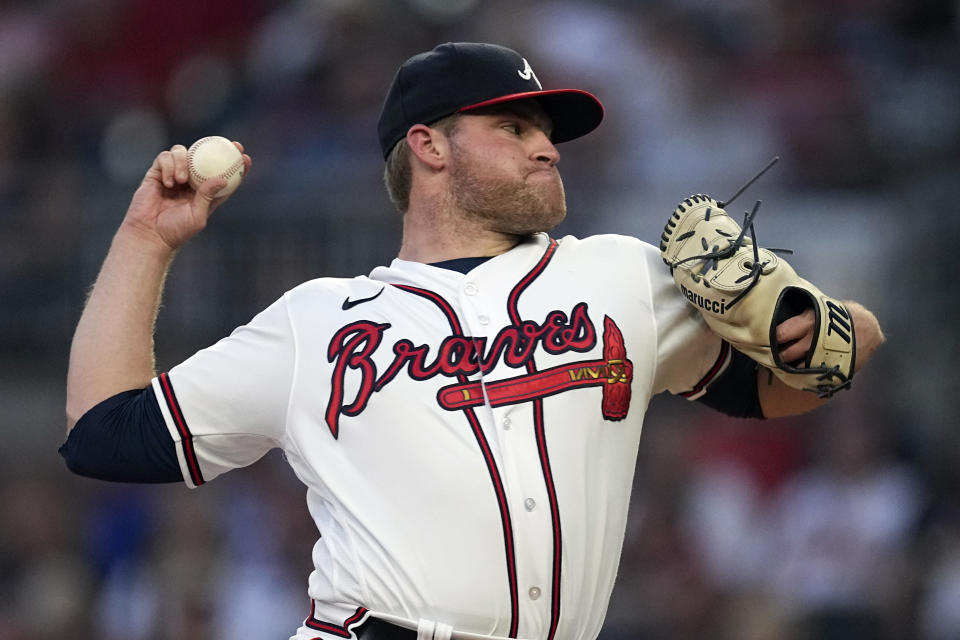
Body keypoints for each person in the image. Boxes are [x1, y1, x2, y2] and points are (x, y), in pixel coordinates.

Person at [61, 42, 884, 640]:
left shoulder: (622, 277)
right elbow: (102, 433)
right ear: (428, 145)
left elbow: (804, 377)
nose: (546, 145)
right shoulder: (320, 320)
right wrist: (145, 238)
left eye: (545, 130)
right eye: (515, 126)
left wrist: (805, 330)